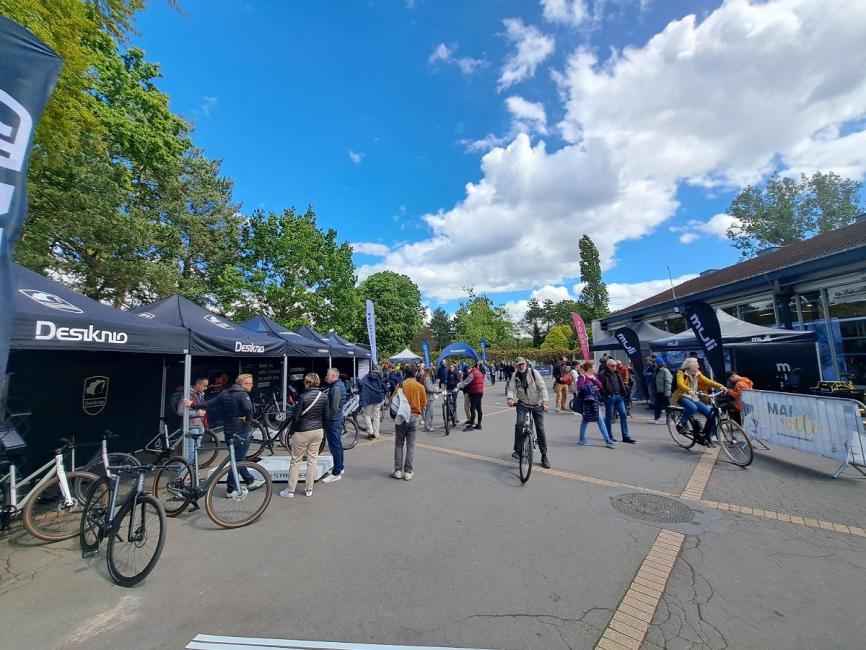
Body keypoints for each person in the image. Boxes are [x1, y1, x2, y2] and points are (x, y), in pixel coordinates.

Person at [210, 374, 265, 496]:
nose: (252, 385)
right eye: (250, 383)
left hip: (228, 431)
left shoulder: (225, 393)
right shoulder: (242, 394)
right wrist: (248, 419)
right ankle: (231, 488)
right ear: (243, 384)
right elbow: (249, 408)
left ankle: (250, 481)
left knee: (238, 457)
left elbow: (210, 403)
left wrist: (193, 405)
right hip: (241, 432)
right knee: (238, 460)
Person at [506, 356, 551, 467]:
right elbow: (511, 388)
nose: (521, 366)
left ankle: (544, 455)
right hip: (522, 403)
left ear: (526, 364)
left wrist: (545, 402)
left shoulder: (534, 373)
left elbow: (543, 388)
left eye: (522, 364)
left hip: (537, 404)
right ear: (516, 366)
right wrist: (510, 398)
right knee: (519, 424)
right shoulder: (514, 375)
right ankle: (518, 450)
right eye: (518, 365)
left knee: (540, 428)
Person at [672, 358, 727, 442]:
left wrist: (720, 386)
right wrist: (689, 390)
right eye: (696, 364)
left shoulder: (698, 373)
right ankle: (683, 422)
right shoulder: (681, 373)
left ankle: (710, 435)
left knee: (711, 414)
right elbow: (680, 384)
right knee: (692, 408)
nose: (698, 366)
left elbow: (708, 381)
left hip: (693, 396)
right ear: (690, 366)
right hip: (682, 395)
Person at [393, 364, 426, 481]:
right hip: (414, 417)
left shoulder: (400, 385)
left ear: (405, 373)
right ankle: (408, 472)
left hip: (401, 417)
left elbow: (394, 400)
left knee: (399, 444)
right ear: (415, 373)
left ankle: (397, 470)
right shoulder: (420, 386)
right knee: (411, 446)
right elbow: (424, 403)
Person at [576, 361, 616, 447]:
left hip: (594, 401)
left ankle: (607, 440)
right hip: (587, 402)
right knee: (587, 420)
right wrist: (589, 387)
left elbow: (600, 385)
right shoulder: (582, 377)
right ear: (589, 368)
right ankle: (606, 440)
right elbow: (579, 388)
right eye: (593, 367)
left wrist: (593, 379)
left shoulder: (593, 376)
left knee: (596, 420)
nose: (594, 368)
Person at [598, 359, 636, 443]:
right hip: (609, 397)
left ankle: (625, 436)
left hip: (618, 396)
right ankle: (609, 436)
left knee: (623, 414)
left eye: (616, 365)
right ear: (608, 365)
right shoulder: (602, 374)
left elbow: (621, 383)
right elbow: (600, 386)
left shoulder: (616, 373)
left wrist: (624, 394)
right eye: (613, 366)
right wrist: (606, 394)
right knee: (609, 417)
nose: (615, 367)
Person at [321, 368, 346, 483]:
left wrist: (327, 417)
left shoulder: (336, 388)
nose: (326, 377)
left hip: (333, 421)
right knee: (338, 445)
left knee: (335, 446)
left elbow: (334, 408)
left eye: (328, 375)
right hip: (336, 419)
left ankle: (336, 472)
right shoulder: (338, 385)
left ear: (333, 375)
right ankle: (340, 467)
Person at [455, 360, 485, 430]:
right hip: (480, 392)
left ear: (472, 368)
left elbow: (465, 382)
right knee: (479, 409)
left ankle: (471, 425)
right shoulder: (479, 372)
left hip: (474, 393)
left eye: (469, 368)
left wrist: (457, 386)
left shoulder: (472, 374)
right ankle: (479, 424)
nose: (468, 370)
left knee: (472, 409)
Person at [359, 365, 387, 439]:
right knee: (376, 416)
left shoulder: (366, 377)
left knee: (366, 414)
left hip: (368, 399)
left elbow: (360, 384)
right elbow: (385, 388)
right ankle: (376, 433)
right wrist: (383, 393)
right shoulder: (380, 377)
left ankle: (370, 432)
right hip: (378, 399)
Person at [651, 358, 673, 424]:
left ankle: (669, 420)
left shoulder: (665, 371)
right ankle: (656, 419)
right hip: (658, 392)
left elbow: (668, 382)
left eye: (655, 363)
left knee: (668, 407)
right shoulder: (656, 371)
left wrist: (667, 393)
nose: (653, 364)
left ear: (658, 363)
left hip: (665, 392)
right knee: (657, 406)